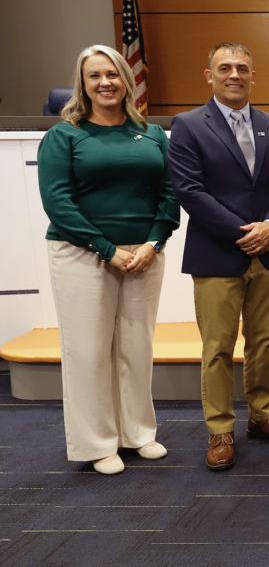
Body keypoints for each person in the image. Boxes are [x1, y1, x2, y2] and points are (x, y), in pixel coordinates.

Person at [37, 45, 179, 475]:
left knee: (137, 348)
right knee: (88, 351)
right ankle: (97, 443)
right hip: (82, 253)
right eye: (95, 76)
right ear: (83, 84)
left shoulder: (152, 134)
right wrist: (107, 249)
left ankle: (137, 433)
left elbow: (170, 195)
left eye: (112, 74)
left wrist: (154, 242)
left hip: (144, 255)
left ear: (126, 79)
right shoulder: (64, 136)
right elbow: (58, 202)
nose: (105, 83)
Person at [168, 42, 269, 471]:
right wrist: (241, 232)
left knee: (263, 342)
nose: (234, 74)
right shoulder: (189, 125)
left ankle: (262, 417)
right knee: (218, 348)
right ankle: (220, 430)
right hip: (216, 253)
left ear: (253, 75)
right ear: (209, 75)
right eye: (224, 68)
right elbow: (189, 190)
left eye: (242, 68)